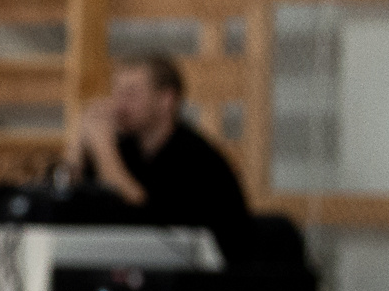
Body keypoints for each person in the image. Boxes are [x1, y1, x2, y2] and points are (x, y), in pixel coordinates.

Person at [67, 54, 251, 259]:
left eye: (131, 94)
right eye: (116, 93)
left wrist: (103, 148)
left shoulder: (195, 157)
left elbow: (147, 218)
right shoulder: (127, 149)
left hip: (207, 277)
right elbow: (72, 205)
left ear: (166, 100)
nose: (119, 105)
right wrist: (79, 143)